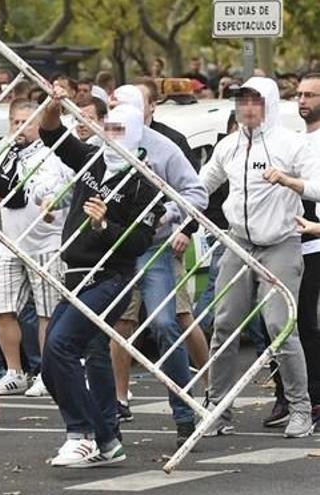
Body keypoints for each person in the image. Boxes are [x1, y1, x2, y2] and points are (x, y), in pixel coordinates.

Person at [39, 88, 163, 468]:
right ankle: (108, 440)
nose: (111, 137)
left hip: (111, 276)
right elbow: (50, 133)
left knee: (61, 345)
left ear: (137, 134)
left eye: (120, 131)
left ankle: (83, 435)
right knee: (49, 363)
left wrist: (104, 224)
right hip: (75, 274)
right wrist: (53, 104)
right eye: (108, 129)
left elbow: (141, 240)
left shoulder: (145, 183)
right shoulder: (91, 159)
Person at [200, 77, 320, 438]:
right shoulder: (229, 147)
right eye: (242, 102)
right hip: (238, 245)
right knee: (223, 326)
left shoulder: (293, 144)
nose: (248, 109)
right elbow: (201, 185)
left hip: (280, 244)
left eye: (255, 101)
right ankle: (217, 410)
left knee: (280, 327)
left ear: (268, 104)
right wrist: (176, 211)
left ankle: (301, 409)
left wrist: (287, 181)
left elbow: (317, 186)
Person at [106, 85, 208, 446]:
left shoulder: (165, 147)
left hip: (152, 248)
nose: (114, 124)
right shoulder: (103, 145)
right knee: (113, 327)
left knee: (166, 323)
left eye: (122, 114)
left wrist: (168, 215)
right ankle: (109, 417)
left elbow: (197, 191)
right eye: (111, 113)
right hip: (111, 250)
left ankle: (184, 412)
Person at [0, 99, 73, 397]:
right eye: (15, 122)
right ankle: (15, 372)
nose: (20, 128)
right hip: (10, 241)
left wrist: (48, 206)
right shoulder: (4, 154)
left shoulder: (52, 154)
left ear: (39, 124)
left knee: (47, 313)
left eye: (27, 122)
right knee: (1, 307)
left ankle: (47, 373)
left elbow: (52, 191)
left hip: (45, 242)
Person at [266, 73, 320, 427]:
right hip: (287, 241)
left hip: (314, 241)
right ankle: (286, 393)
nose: (302, 100)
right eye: (299, 95)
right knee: (278, 321)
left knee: (303, 321)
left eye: (310, 95)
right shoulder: (296, 141)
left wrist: (288, 180)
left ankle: (311, 397)